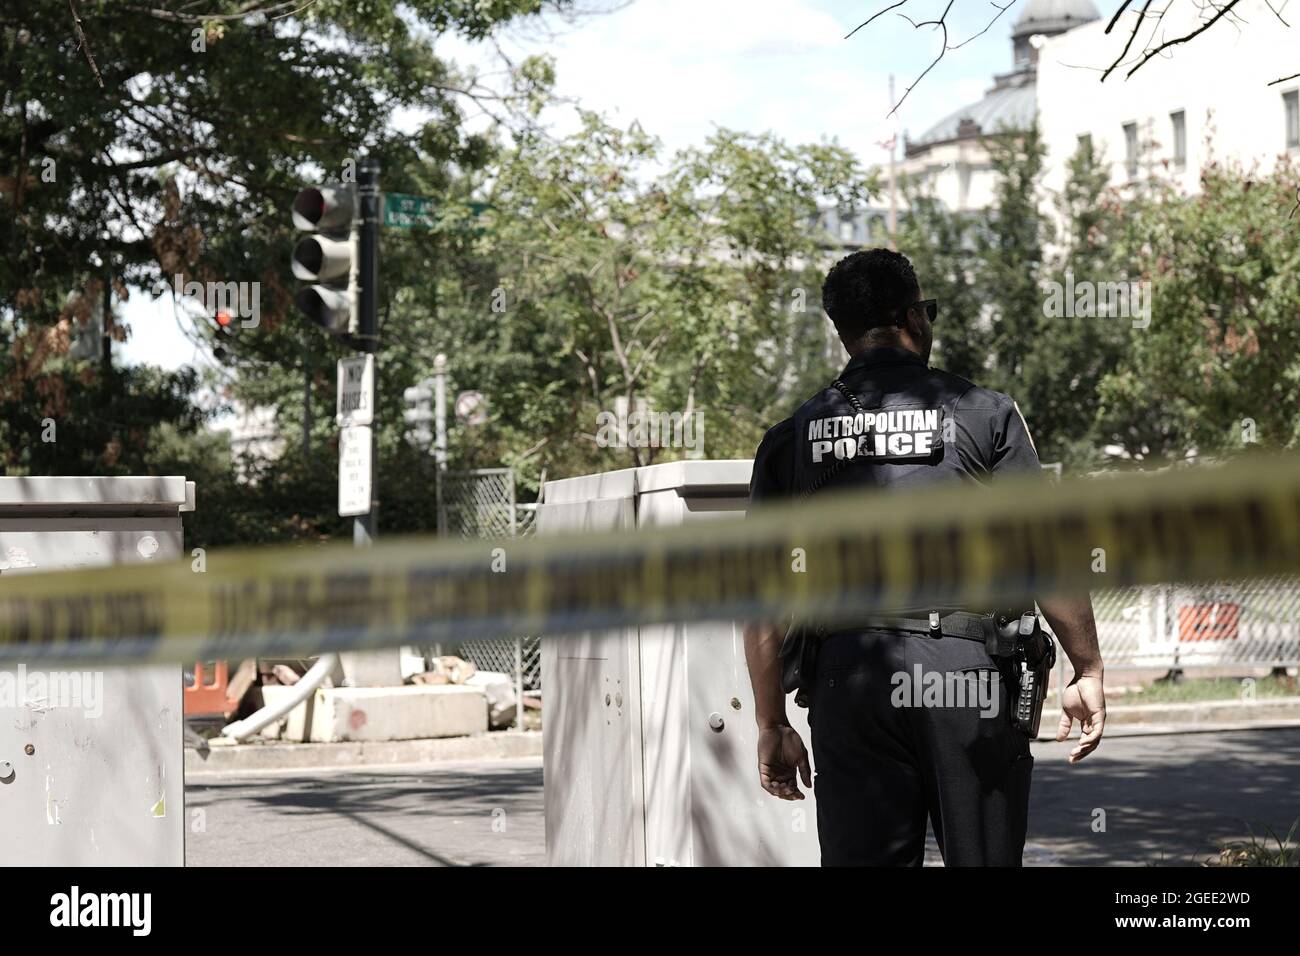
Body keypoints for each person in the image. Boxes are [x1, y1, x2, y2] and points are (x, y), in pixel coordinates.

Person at [742, 248, 1105, 866]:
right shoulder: (985, 413)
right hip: (965, 672)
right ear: (915, 317)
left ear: (841, 332)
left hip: (848, 677)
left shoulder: (791, 438)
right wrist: (1087, 667)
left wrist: (771, 722)